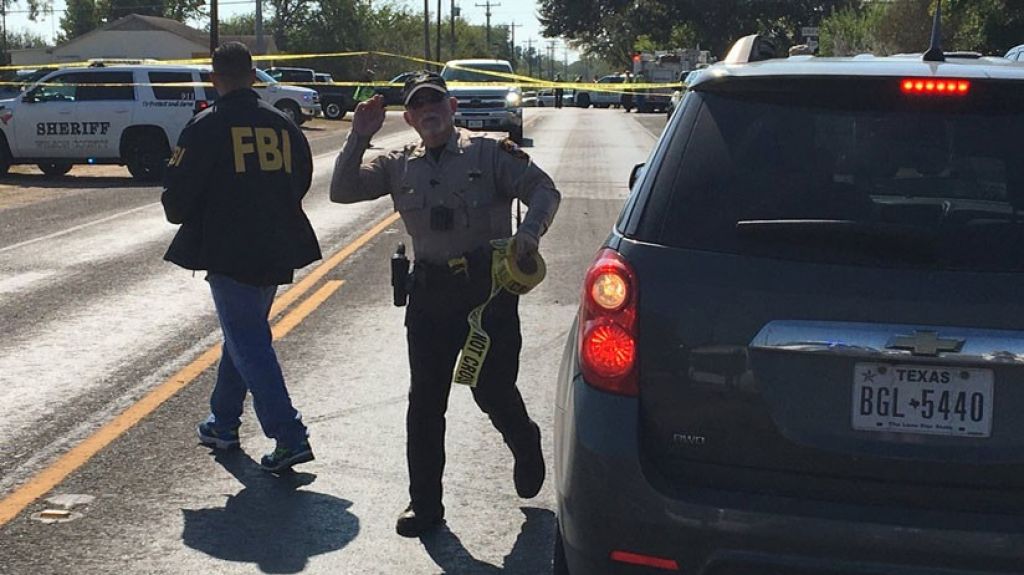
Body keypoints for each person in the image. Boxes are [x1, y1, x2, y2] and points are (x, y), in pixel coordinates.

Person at [330, 71, 560, 537]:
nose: (430, 110)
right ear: (410, 117)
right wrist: (358, 137)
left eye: (437, 101)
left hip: (487, 291)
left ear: (452, 108)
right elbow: (342, 190)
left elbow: (544, 190)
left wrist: (529, 234)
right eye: (420, 105)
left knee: (491, 389)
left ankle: (524, 439)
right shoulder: (398, 163)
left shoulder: (489, 152)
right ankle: (426, 506)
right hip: (430, 293)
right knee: (426, 402)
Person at [161, 41, 322, 473]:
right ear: (253, 77)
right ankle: (223, 422)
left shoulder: (205, 127)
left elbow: (176, 202)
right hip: (276, 245)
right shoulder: (285, 125)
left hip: (230, 250)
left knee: (248, 340)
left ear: (215, 79)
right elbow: (302, 180)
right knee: (243, 333)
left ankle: (289, 436)